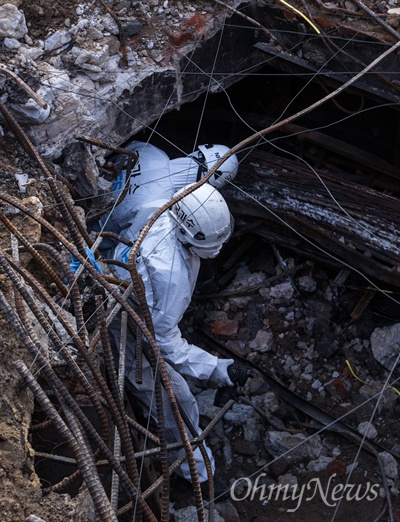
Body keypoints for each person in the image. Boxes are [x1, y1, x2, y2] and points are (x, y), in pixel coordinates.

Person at [107, 183, 247, 483]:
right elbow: (163, 343)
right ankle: (197, 475)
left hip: (122, 285)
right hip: (126, 327)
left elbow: (119, 220)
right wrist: (218, 369)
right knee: (177, 403)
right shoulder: (171, 277)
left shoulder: (160, 205)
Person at [99, 141, 239, 236]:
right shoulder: (159, 206)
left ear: (197, 152)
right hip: (96, 228)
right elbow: (126, 240)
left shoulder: (150, 150)